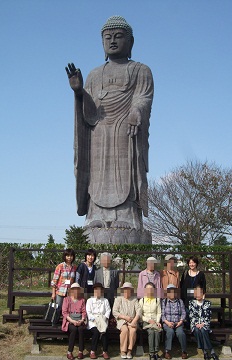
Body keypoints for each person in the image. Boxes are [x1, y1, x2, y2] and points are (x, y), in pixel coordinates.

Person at [65, 15, 154, 244]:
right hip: (99, 132)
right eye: (107, 37)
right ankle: (96, 216)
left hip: (126, 128)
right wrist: (78, 92)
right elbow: (90, 111)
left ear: (131, 42)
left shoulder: (140, 70)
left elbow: (142, 97)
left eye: (118, 36)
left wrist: (136, 112)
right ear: (102, 42)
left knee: (126, 170)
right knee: (98, 174)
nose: (112, 41)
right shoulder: (94, 75)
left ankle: (127, 215)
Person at [189, 286, 219, 360]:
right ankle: (210, 351)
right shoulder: (191, 303)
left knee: (203, 330)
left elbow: (208, 315)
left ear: (203, 294)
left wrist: (203, 324)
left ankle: (207, 352)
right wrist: (196, 324)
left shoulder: (207, 303)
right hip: (195, 324)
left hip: (204, 324)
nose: (198, 295)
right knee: (196, 330)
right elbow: (191, 316)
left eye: (200, 293)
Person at [112, 282, 141, 359]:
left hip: (132, 320)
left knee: (132, 331)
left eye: (129, 290)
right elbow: (114, 311)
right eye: (125, 289)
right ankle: (123, 350)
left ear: (131, 290)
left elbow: (139, 311)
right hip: (122, 320)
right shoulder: (118, 299)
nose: (127, 291)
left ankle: (129, 350)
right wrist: (124, 317)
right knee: (125, 330)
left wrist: (134, 321)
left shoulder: (134, 299)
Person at [161, 284, 187, 360]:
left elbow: (183, 312)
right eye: (170, 292)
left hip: (178, 323)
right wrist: (167, 323)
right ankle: (167, 351)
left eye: (173, 292)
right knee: (170, 332)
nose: (171, 294)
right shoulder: (164, 301)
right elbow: (162, 314)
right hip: (167, 323)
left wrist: (181, 321)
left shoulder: (180, 301)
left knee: (181, 333)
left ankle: (184, 351)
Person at [61, 283, 87, 360]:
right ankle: (69, 352)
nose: (76, 291)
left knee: (81, 329)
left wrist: (82, 320)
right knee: (74, 329)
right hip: (69, 320)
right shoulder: (66, 299)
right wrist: (72, 321)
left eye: (77, 290)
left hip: (80, 320)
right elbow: (64, 313)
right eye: (74, 290)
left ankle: (80, 351)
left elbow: (84, 312)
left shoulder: (82, 300)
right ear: (71, 291)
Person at [86, 283, 111, 359]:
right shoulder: (90, 300)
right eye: (96, 290)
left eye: (99, 290)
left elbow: (108, 310)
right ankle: (93, 351)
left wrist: (105, 318)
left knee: (104, 332)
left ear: (102, 291)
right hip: (93, 321)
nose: (97, 291)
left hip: (103, 319)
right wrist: (94, 320)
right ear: (93, 291)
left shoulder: (105, 300)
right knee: (96, 332)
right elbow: (88, 312)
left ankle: (105, 351)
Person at [139, 282, 162, 360]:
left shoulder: (157, 300)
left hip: (155, 321)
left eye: (151, 289)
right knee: (151, 332)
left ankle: (156, 352)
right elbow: (140, 315)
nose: (149, 291)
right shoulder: (142, 300)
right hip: (146, 321)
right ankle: (151, 353)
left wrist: (158, 321)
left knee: (157, 331)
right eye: (148, 289)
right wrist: (148, 320)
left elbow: (159, 312)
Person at [51, 249, 76, 318]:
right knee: (57, 308)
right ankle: (54, 322)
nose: (69, 257)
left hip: (70, 292)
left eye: (71, 256)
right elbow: (54, 281)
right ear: (64, 256)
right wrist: (53, 293)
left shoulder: (74, 267)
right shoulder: (60, 266)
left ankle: (65, 324)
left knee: (68, 309)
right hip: (60, 291)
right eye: (67, 256)